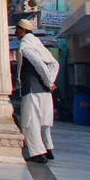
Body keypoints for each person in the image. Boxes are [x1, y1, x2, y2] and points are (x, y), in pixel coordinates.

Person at [16, 18, 59, 163]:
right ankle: (48, 149)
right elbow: (55, 64)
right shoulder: (38, 43)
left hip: (32, 90)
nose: (15, 32)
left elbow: (38, 63)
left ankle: (37, 154)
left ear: (22, 30)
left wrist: (48, 81)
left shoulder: (26, 44)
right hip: (44, 91)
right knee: (44, 121)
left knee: (30, 121)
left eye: (17, 30)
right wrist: (50, 82)